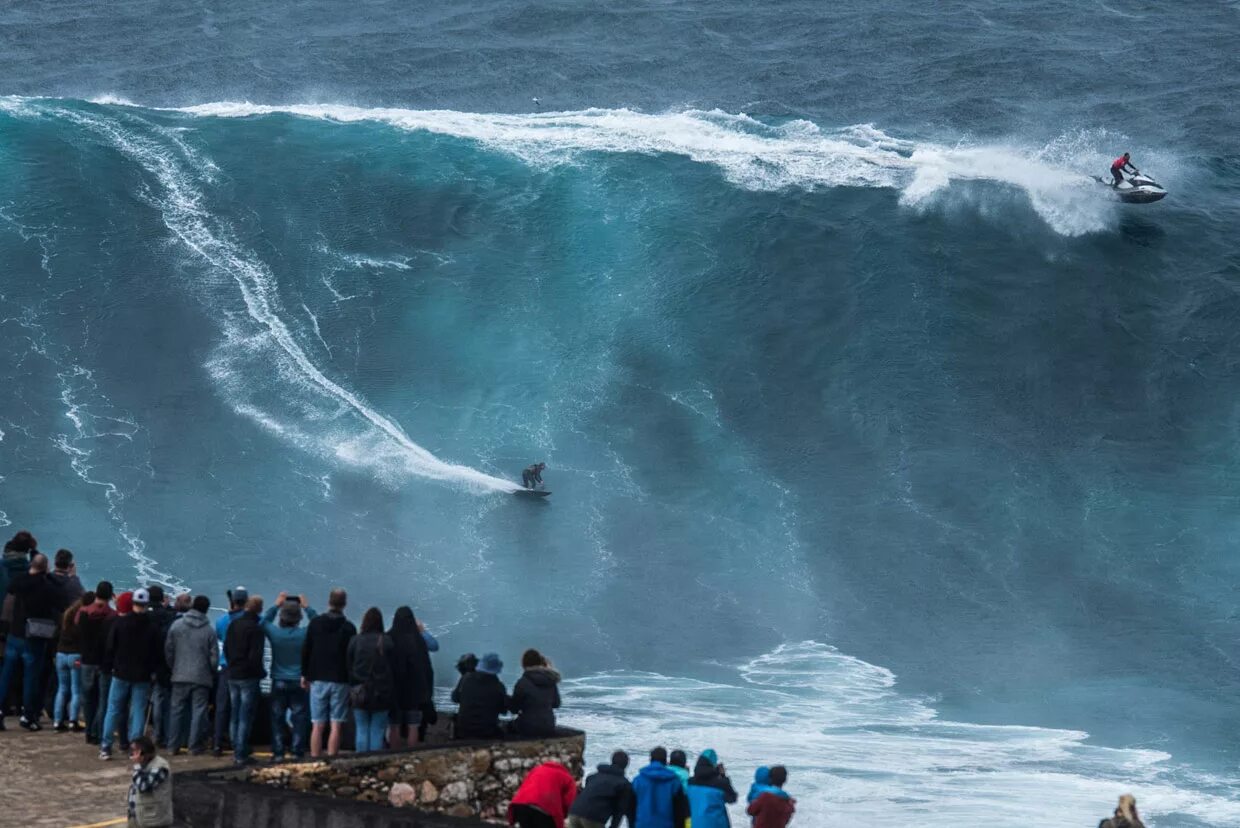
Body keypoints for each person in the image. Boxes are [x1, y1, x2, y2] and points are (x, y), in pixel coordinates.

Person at [0, 552, 66, 731]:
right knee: (31, 678)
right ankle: (28, 716)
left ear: (31, 565)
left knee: (6, 674)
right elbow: (61, 603)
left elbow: (11, 588)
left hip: (15, 633)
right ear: (46, 567)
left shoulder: (20, 582)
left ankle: (0, 711)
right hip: (35, 635)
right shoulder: (47, 586)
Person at [100, 588, 159, 759]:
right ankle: (136, 748)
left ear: (133, 603)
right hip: (142, 675)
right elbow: (156, 653)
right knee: (138, 711)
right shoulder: (152, 627)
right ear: (147, 604)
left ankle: (106, 746)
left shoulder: (120, 623)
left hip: (120, 672)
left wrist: (107, 667)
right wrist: (154, 672)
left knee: (113, 709)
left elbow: (111, 647)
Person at [261, 592, 316, 761]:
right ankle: (297, 751)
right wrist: (307, 607)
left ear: (282, 617)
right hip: (299, 681)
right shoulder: (304, 634)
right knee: (299, 718)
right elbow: (317, 623)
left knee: (277, 718)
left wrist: (276, 605)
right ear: (299, 617)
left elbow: (263, 622)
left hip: (278, 680)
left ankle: (278, 752)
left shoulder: (275, 634)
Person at [302, 587, 356, 757]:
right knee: (336, 724)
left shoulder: (316, 623)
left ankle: (315, 759)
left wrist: (304, 674)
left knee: (317, 724)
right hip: (340, 679)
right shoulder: (349, 628)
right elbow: (351, 656)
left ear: (329, 602)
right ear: (345, 604)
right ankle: (332, 759)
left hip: (318, 678)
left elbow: (306, 650)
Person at [164, 595, 218, 755]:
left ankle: (173, 746)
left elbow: (169, 650)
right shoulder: (209, 630)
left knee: (176, 711)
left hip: (179, 674)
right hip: (201, 677)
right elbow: (214, 658)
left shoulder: (177, 625)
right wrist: (211, 672)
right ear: (207, 610)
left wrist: (173, 667)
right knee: (198, 711)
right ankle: (193, 747)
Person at [223, 595, 265, 766]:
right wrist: (259, 673)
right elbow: (256, 656)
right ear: (259, 610)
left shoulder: (234, 624)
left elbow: (226, 647)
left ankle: (236, 747)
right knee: (245, 716)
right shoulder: (255, 629)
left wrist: (232, 664)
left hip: (232, 673)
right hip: (248, 677)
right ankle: (240, 753)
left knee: (235, 712)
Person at [347, 606, 395, 752]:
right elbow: (393, 667)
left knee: (361, 728)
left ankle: (360, 762)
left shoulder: (355, 640)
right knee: (377, 730)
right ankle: (375, 762)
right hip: (382, 692)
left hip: (360, 691)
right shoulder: (387, 641)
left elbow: (349, 665)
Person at [387, 605, 433, 748]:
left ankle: (393, 754)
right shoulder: (419, 641)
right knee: (413, 726)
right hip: (415, 691)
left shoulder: (389, 637)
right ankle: (410, 754)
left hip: (394, 690)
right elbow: (427, 668)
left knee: (394, 725)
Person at [78, 581, 116, 744]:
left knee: (88, 698)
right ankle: (97, 731)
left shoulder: (83, 613)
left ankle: (89, 732)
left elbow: (76, 628)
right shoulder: (112, 616)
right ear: (110, 596)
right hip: (103, 662)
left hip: (86, 660)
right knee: (103, 700)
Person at [211, 586, 248, 756]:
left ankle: (217, 743)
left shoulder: (221, 621)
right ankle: (238, 744)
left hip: (226, 667)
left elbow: (219, 636)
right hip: (244, 669)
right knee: (240, 708)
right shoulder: (251, 620)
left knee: (221, 707)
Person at [52, 591, 91, 732]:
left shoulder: (67, 615)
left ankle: (57, 721)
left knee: (62, 689)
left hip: (61, 654)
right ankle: (72, 721)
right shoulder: (84, 618)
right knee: (76, 690)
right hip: (75, 656)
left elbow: (56, 635)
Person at [568, 750, 635, 828]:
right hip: (593, 817)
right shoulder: (624, 784)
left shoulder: (593, 777)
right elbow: (619, 809)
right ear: (626, 764)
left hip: (574, 812)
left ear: (612, 761)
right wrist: (614, 826)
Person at [146, 585, 177, 749]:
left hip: (145, 662)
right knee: (163, 699)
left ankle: (152, 734)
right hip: (163, 662)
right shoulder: (167, 616)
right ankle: (162, 734)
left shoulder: (144, 615)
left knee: (149, 699)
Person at [452, 651, 508, 740]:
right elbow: (504, 710)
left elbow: (455, 698)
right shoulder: (499, 686)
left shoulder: (465, 679)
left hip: (463, 730)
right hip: (487, 732)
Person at [508, 760, 578, 828]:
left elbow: (525, 786)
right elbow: (570, 802)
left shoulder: (537, 769)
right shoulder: (567, 778)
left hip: (521, 806)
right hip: (543, 808)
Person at [631, 747, 689, 828]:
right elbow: (679, 811)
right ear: (666, 761)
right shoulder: (674, 781)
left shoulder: (637, 780)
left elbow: (631, 807)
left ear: (650, 759)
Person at [510, 647, 561, 738]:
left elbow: (514, 709)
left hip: (527, 726)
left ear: (524, 664)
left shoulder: (522, 682)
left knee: (507, 728)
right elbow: (556, 704)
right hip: (549, 725)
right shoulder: (550, 680)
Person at [127, 735, 173, 828]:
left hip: (154, 820)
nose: (132, 755)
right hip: (139, 817)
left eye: (135, 751)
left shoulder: (160, 766)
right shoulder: (143, 764)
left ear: (144, 752)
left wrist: (137, 766)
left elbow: (143, 786)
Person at [685, 749, 738, 828]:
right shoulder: (720, 783)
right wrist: (723, 776)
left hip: (694, 824)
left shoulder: (690, 782)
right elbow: (732, 798)